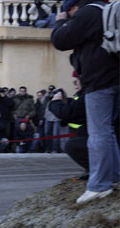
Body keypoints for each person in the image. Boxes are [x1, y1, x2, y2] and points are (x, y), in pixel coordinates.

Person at [51, 0, 120, 203]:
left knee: (99, 133)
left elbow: (60, 40)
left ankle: (99, 185)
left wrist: (60, 23)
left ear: (73, 7)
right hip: (116, 79)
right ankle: (115, 175)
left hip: (99, 82)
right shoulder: (108, 12)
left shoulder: (88, 12)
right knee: (109, 131)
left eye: (68, 10)